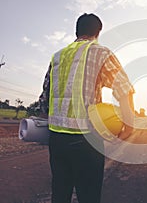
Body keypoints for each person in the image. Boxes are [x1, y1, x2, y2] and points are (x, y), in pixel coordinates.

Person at [39, 13, 135, 203]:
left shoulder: (57, 56)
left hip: (57, 139)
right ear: (98, 33)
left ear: (76, 31)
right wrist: (129, 125)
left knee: (60, 192)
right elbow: (124, 89)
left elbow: (44, 99)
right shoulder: (101, 52)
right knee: (88, 195)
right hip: (87, 140)